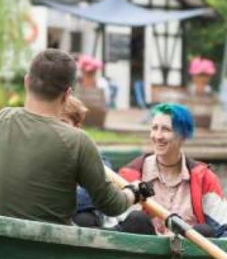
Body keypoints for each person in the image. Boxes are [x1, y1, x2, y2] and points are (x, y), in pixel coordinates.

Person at [0, 48, 153, 224]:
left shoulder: (2, 119)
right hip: (46, 248)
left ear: (27, 82)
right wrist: (134, 192)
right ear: (67, 95)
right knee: (138, 223)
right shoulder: (78, 141)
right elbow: (111, 205)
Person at [118, 103, 227, 239]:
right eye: (154, 128)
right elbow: (116, 223)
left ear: (183, 136)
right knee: (136, 219)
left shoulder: (204, 178)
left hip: (188, 253)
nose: (158, 136)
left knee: (205, 231)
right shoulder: (131, 174)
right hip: (142, 252)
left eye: (166, 129)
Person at [59, 96, 156, 234]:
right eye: (53, 123)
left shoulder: (96, 158)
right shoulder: (41, 154)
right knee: (83, 218)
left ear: (77, 128)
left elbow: (99, 196)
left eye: (62, 122)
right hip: (62, 225)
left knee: (138, 220)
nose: (56, 129)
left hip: (96, 225)